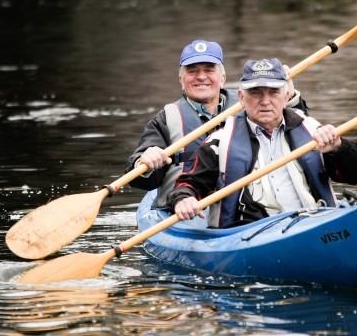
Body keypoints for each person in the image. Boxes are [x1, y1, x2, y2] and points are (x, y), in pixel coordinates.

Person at [167, 57, 357, 228]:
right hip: (252, 234)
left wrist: (338, 148)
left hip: (315, 225)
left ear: (286, 96)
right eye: (256, 92)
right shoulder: (219, 142)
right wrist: (184, 199)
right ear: (241, 97)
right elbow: (188, 184)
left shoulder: (312, 130)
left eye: (273, 92)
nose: (265, 101)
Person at [125, 40, 307, 209]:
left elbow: (295, 132)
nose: (201, 77)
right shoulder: (165, 120)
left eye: (209, 70)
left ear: (222, 78)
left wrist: (289, 97)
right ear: (182, 80)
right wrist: (144, 161)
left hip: (245, 206)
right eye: (192, 71)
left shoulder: (251, 103)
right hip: (185, 208)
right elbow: (143, 181)